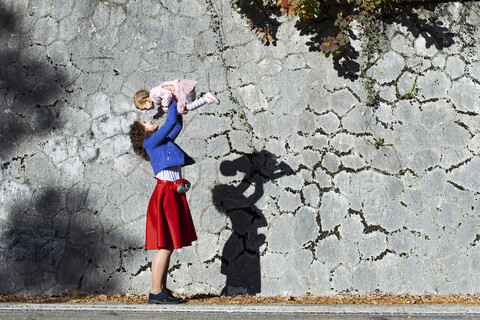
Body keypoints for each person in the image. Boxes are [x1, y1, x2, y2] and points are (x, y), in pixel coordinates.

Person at [129, 101, 198, 304]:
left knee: (167, 245)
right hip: (166, 193)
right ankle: (156, 291)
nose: (149, 120)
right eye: (145, 122)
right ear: (143, 133)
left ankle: (161, 289)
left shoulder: (160, 141)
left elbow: (176, 125)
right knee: (165, 245)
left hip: (172, 192)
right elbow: (169, 124)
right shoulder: (150, 142)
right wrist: (173, 100)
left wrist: (178, 108)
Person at [134, 79, 220, 118]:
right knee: (187, 106)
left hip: (182, 90)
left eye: (145, 108)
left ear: (146, 100)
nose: (147, 110)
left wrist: (165, 107)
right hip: (183, 92)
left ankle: (206, 99)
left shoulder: (154, 93)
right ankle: (207, 99)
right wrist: (159, 114)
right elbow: (163, 105)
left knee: (188, 107)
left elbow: (167, 95)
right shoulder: (155, 99)